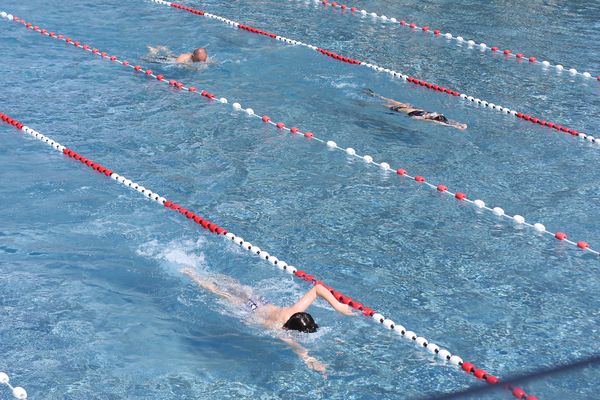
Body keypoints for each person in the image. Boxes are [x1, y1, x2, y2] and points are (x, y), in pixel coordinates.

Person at [179, 267, 354, 374]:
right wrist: (309, 360)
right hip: (250, 309)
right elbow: (298, 349)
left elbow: (318, 289)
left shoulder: (295, 312)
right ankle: (193, 275)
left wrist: (338, 306)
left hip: (260, 301)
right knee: (219, 293)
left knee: (235, 286)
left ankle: (201, 271)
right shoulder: (280, 330)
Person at [365, 88, 467, 130]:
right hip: (409, 107)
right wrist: (458, 124)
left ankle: (372, 97)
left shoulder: (427, 118)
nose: (435, 113)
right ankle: (374, 95)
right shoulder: (433, 116)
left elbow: (443, 123)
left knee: (383, 103)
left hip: (402, 109)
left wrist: (457, 126)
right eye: (437, 114)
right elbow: (447, 122)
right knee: (385, 100)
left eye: (436, 115)